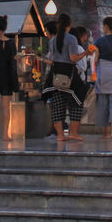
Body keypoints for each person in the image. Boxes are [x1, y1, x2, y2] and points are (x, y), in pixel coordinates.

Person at [42, 13, 91, 142]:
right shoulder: (71, 39)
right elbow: (73, 58)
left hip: (55, 74)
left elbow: (52, 58)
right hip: (69, 73)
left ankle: (60, 135)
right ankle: (73, 133)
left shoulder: (53, 40)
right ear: (69, 25)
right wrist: (86, 53)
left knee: (57, 104)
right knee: (77, 101)